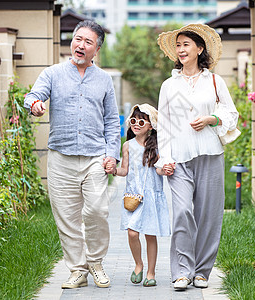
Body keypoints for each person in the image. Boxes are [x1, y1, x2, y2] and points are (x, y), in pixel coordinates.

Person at [23, 20, 120, 289]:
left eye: (88, 42)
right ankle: (78, 270)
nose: (81, 45)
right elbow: (33, 96)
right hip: (61, 157)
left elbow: (112, 121)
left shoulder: (104, 80)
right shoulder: (52, 73)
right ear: (72, 41)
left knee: (98, 211)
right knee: (66, 217)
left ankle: (96, 262)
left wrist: (112, 154)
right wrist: (35, 105)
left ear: (96, 49)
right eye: (78, 39)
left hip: (94, 158)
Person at [155, 24, 239, 290]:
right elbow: (164, 124)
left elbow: (231, 114)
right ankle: (182, 271)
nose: (181, 50)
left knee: (208, 216)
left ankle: (202, 271)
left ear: (199, 49)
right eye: (178, 45)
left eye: (186, 45)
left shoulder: (214, 81)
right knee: (181, 212)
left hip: (210, 155)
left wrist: (211, 118)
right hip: (178, 157)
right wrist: (163, 159)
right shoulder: (169, 85)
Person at [110, 104, 171, 287]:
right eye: (133, 121)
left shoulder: (157, 146)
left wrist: (165, 169)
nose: (136, 124)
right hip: (133, 197)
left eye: (141, 121)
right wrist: (114, 170)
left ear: (151, 125)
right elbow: (124, 171)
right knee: (132, 233)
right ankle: (139, 264)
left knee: (150, 235)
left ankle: (151, 272)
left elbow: (159, 170)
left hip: (152, 197)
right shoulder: (127, 145)